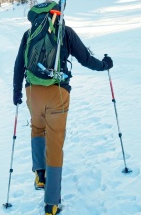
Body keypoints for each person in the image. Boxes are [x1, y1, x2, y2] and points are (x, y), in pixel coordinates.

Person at [12, 15, 113, 215]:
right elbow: (85, 59)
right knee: (55, 143)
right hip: (58, 93)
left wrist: (16, 92)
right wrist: (105, 64)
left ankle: (40, 174)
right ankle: (51, 204)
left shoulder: (29, 34)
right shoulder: (65, 32)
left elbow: (18, 65)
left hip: (33, 92)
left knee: (37, 128)